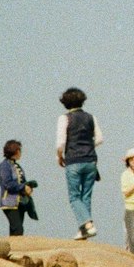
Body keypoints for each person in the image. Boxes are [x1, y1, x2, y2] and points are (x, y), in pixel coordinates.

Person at [57, 87, 102, 240]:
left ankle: (88, 225)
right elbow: (100, 139)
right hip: (90, 160)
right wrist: (88, 146)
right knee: (86, 196)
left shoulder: (64, 118)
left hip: (73, 160)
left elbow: (61, 142)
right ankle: (83, 230)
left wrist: (59, 156)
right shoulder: (91, 117)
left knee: (74, 197)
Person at [0, 140, 34, 237]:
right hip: (9, 202)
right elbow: (8, 184)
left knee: (15, 230)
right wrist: (23, 187)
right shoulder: (4, 166)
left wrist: (28, 188)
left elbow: (22, 181)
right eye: (19, 150)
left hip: (20, 202)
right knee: (17, 228)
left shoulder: (16, 165)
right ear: (15, 151)